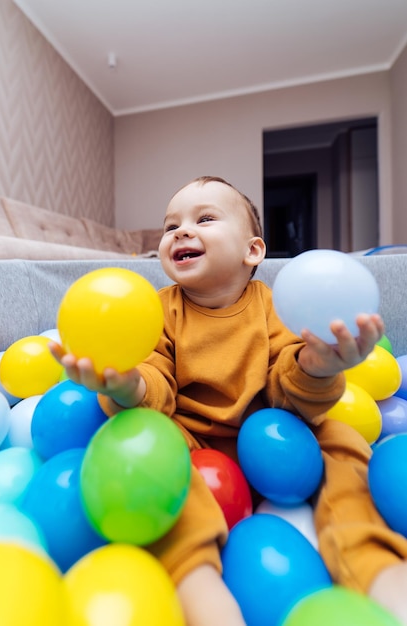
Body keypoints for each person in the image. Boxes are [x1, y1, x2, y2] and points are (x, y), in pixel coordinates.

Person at [51, 176, 407, 625]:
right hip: (192, 439)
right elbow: (153, 377)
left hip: (276, 436)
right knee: (151, 458)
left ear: (252, 251)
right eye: (170, 226)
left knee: (340, 441)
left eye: (204, 219)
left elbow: (288, 388)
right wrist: (127, 386)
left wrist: (319, 365)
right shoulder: (157, 309)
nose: (180, 231)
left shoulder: (277, 307)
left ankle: (376, 566)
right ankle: (196, 582)